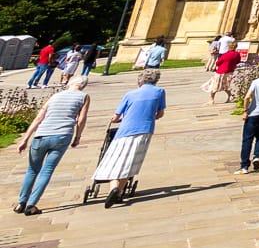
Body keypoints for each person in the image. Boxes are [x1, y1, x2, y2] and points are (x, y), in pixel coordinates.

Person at [14, 74, 89, 215]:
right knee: (47, 170)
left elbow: (38, 118)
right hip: (62, 136)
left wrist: (25, 139)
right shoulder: (84, 97)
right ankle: (31, 205)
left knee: (32, 170)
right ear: (83, 85)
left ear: (70, 83)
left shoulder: (55, 97)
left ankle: (21, 203)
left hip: (41, 135)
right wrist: (78, 136)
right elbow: (81, 119)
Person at [94, 69, 165, 207]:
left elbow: (116, 117)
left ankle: (114, 188)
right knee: (130, 162)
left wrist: (116, 120)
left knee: (116, 160)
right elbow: (160, 113)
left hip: (125, 131)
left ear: (140, 80)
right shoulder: (159, 92)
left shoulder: (130, 94)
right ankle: (119, 191)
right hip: (145, 130)